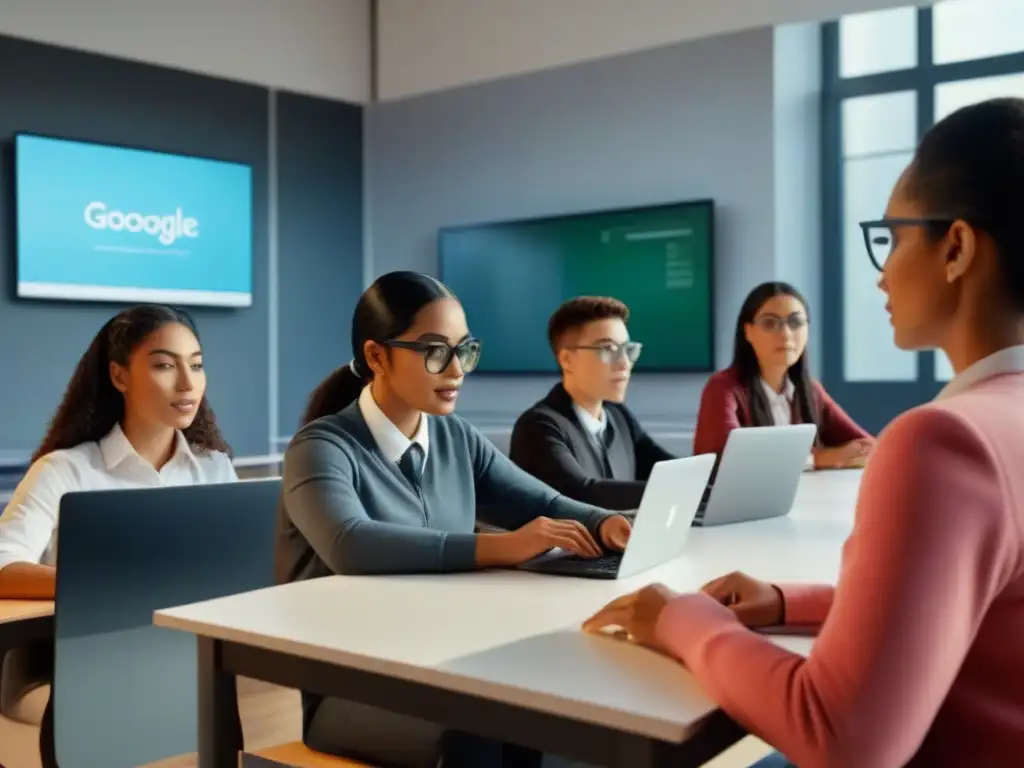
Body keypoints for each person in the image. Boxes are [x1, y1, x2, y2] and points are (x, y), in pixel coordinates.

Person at [583, 97, 1024, 768]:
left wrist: (681, 620)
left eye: (893, 237)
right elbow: (966, 604)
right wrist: (788, 600)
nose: (881, 271)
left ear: (957, 248)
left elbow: (841, 737)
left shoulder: (942, 440)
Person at [277, 271, 631, 768]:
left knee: (559, 704)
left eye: (464, 350)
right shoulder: (320, 448)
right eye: (434, 351)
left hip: (447, 662)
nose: (457, 369)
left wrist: (606, 523)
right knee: (486, 723)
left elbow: (543, 502)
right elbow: (349, 544)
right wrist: (500, 547)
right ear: (377, 356)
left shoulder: (455, 437)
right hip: (353, 689)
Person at [0, 304, 235, 728]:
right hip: (75, 659)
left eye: (197, 366)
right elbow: (2, 568)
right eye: (165, 365)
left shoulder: (214, 467)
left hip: (186, 657)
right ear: (119, 376)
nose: (187, 383)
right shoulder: (64, 470)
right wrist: (118, 583)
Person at [509, 296, 673, 510]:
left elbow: (667, 467)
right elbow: (582, 493)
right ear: (567, 360)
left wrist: (714, 481)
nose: (624, 363)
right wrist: (674, 490)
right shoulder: (538, 427)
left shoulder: (619, 416)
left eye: (628, 350)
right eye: (608, 349)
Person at [692, 282, 873, 469]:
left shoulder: (811, 391)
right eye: (770, 323)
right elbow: (728, 457)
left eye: (795, 322)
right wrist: (818, 459)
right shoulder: (723, 387)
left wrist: (853, 454)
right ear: (748, 332)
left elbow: (866, 444)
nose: (785, 334)